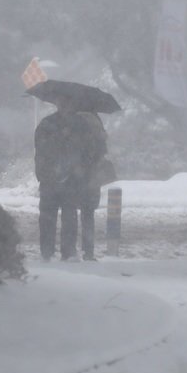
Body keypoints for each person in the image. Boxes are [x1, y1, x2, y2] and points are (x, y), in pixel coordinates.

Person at [34, 104, 106, 261]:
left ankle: (62, 251)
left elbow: (90, 151)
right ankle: (55, 251)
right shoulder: (51, 124)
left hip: (65, 179)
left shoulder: (79, 125)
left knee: (63, 215)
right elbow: (41, 148)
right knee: (59, 215)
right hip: (58, 178)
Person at [78, 111, 114, 261]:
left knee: (70, 213)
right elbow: (102, 152)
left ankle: (68, 251)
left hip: (75, 175)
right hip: (92, 178)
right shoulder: (96, 124)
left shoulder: (74, 121)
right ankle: (88, 251)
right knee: (88, 215)